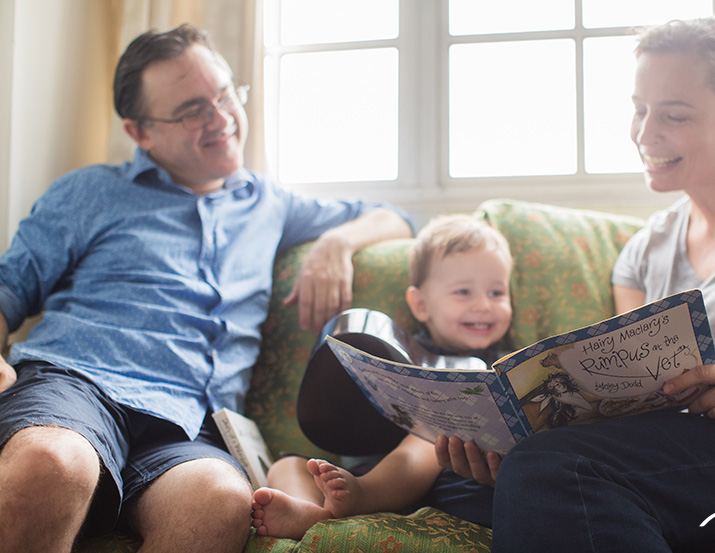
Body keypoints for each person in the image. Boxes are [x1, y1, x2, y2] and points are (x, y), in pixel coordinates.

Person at [0, 24, 412, 553]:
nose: (221, 119)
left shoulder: (270, 205)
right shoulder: (91, 191)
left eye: (223, 94)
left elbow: (396, 217)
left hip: (190, 425)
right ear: (140, 131)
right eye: (192, 109)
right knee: (53, 462)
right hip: (79, 385)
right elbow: (10, 284)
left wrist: (337, 243)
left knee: (219, 499)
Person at [439, 16, 715, 553]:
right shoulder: (644, 251)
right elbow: (636, 402)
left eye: (674, 115)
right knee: (471, 480)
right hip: (697, 454)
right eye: (640, 109)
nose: (645, 134)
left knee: (555, 472)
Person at [250, 214, 513, 539]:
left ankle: (361, 498)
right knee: (286, 466)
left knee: (432, 432)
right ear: (420, 304)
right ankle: (310, 515)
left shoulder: (504, 365)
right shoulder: (396, 351)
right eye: (463, 292)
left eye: (497, 293)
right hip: (365, 474)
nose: (483, 305)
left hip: (454, 484)